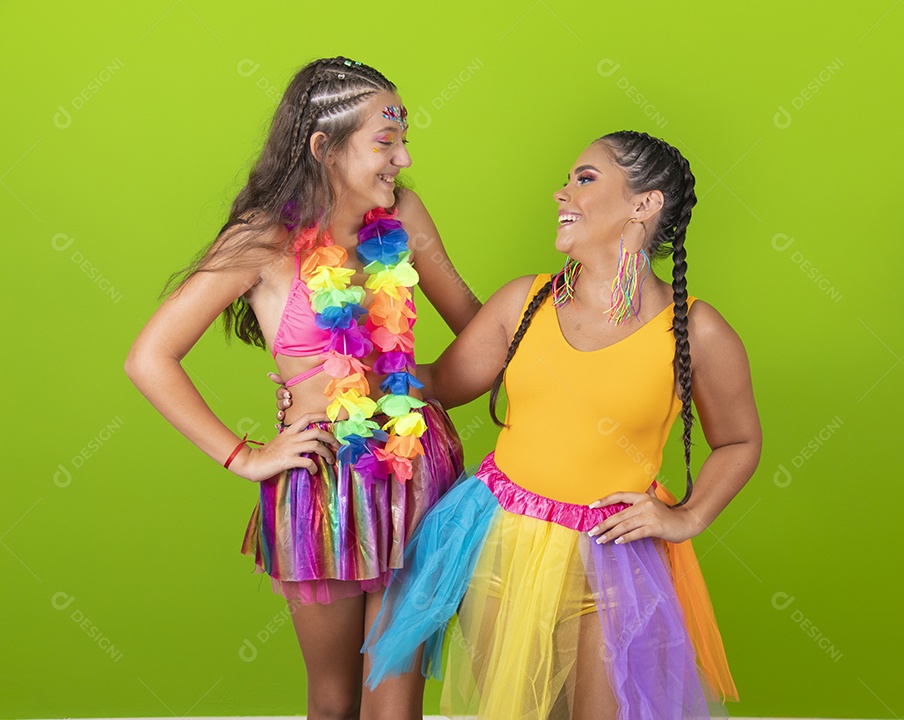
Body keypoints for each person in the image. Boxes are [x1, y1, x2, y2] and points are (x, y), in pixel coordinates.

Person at [355, 130, 762, 719]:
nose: (560, 193)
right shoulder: (525, 301)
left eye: (585, 179)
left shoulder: (695, 331)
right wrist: (341, 376)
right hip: (501, 539)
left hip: (613, 551)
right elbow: (440, 383)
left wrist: (688, 516)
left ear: (643, 205)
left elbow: (740, 440)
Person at [124, 56, 480, 718]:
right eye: (385, 142)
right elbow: (150, 357)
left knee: (396, 700)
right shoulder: (264, 239)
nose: (401, 159)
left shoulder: (404, 215)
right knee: (334, 698)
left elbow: (480, 330)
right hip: (322, 485)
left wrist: (566, 311)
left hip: (415, 470)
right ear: (324, 148)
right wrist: (245, 455)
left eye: (404, 141)